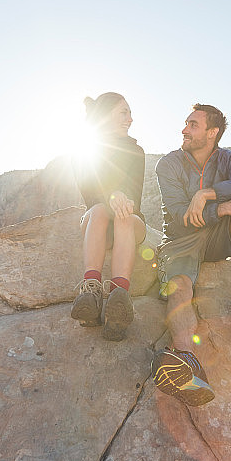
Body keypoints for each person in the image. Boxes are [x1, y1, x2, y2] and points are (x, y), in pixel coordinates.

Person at [150, 103, 231, 406]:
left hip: (217, 237)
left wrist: (208, 194)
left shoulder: (229, 159)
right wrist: (222, 208)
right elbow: (179, 215)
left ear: (212, 132)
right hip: (181, 240)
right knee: (179, 284)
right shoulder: (168, 164)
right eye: (186, 123)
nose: (184, 129)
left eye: (192, 125)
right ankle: (186, 362)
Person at [72, 92, 146, 341]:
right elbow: (90, 191)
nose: (130, 118)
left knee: (124, 216)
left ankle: (118, 300)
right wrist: (112, 195)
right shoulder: (84, 149)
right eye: (123, 112)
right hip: (98, 223)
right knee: (101, 210)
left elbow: (135, 194)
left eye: (130, 112)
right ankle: (91, 292)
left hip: (129, 222)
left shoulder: (136, 151)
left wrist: (124, 199)